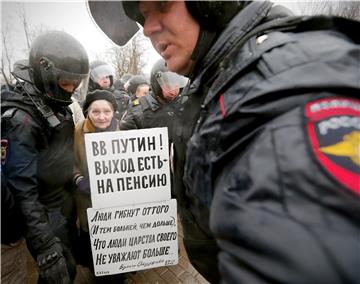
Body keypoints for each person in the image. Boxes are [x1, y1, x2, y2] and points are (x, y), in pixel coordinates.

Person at [89, 1, 360, 283]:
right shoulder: (221, 77)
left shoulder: (285, 84)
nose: (147, 29)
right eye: (143, 16)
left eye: (162, 4)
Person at [1, 30, 89, 283]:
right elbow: (22, 191)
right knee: (62, 271)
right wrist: (44, 245)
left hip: (61, 201)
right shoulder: (21, 121)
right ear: (45, 75)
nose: (71, 89)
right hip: (44, 212)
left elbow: (58, 155)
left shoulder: (51, 103)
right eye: (65, 83)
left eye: (75, 83)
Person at [73, 89, 126, 283]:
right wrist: (79, 179)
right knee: (96, 249)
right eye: (96, 112)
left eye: (107, 111)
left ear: (114, 112)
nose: (102, 117)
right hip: (89, 203)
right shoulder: (77, 130)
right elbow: (70, 163)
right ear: (87, 111)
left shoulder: (125, 131)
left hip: (117, 204)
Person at [120, 58, 188, 132]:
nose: (173, 92)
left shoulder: (186, 106)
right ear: (156, 84)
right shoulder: (136, 111)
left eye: (176, 86)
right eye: (168, 86)